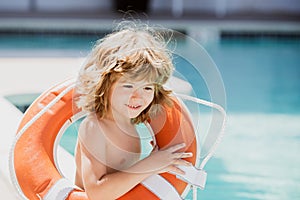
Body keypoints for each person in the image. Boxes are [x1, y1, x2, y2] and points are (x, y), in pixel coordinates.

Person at [74, 21, 193, 200]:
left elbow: (126, 179)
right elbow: (96, 193)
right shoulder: (95, 127)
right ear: (104, 85)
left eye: (147, 88)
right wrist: (150, 164)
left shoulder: (130, 125)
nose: (137, 97)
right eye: (128, 86)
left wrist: (156, 160)